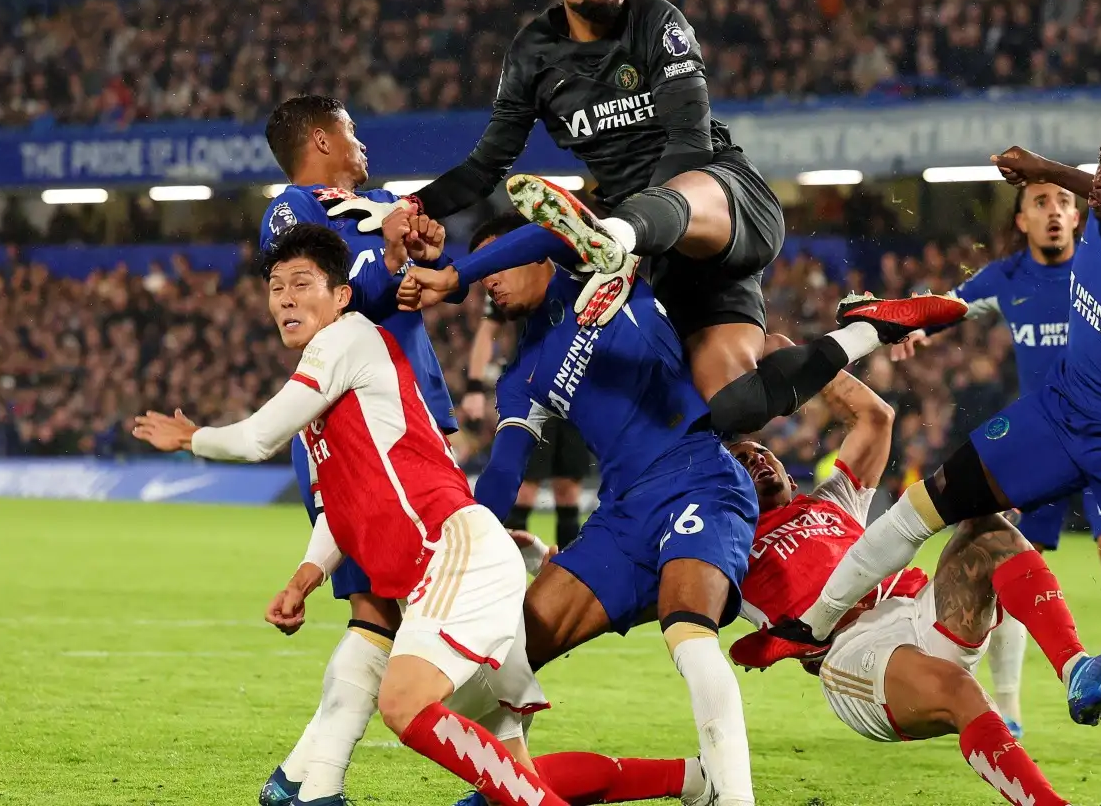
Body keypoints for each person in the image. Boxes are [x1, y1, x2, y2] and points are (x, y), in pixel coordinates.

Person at [771, 115, 1101, 806]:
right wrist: (1048, 168)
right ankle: (812, 625)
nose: (1100, 181)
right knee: (924, 507)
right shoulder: (1094, 213)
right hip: (1054, 415)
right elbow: (1093, 197)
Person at [400, 212, 963, 806]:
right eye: (481, 272)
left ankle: (734, 800)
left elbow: (570, 219)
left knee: (688, 634)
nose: (489, 281)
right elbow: (506, 468)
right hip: (621, 518)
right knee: (501, 659)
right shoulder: (522, 376)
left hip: (700, 479)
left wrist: (468, 265)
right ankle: (679, 781)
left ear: (538, 251)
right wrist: (467, 535)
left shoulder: (602, 269)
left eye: (499, 262)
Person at [133, 224, 704, 806]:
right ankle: (688, 780)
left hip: (453, 557)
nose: (284, 296)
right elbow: (340, 511)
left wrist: (191, 437)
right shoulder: (324, 398)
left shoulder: (346, 341)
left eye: (302, 283)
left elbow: (256, 439)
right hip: (458, 566)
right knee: (514, 779)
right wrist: (306, 577)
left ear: (341, 297)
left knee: (402, 702)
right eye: (275, 286)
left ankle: (318, 790)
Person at [335, 0, 878, 439]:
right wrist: (412, 207)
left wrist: (628, 236)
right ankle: (867, 330)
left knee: (672, 195)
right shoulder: (533, 54)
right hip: (665, 253)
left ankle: (612, 239)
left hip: (722, 201)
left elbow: (688, 142)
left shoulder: (657, 22)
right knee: (736, 406)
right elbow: (486, 166)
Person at [726, 337, 1101, 806]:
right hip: (851, 653)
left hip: (923, 610)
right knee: (961, 692)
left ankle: (1077, 670)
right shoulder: (728, 549)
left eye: (760, 451)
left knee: (984, 522)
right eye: (739, 461)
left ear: (790, 476)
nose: (754, 457)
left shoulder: (832, 500)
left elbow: (875, 417)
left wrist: (797, 360)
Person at [250, 94, 470, 806]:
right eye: (350, 130)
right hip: (353, 431)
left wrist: (426, 257)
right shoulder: (292, 214)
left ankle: (300, 780)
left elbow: (423, 283)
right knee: (392, 609)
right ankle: (312, 785)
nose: (362, 141)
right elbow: (343, 293)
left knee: (410, 608)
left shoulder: (379, 203)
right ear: (320, 137)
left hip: (411, 416)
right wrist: (393, 258)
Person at [891, 181, 1101, 744]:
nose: (1054, 212)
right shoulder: (1006, 277)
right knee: (1008, 562)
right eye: (1041, 204)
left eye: (1064, 203)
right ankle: (1008, 708)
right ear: (1021, 219)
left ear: (1079, 216)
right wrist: (916, 326)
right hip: (1043, 444)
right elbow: (951, 305)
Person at [465, 289, 594, 551]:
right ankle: (507, 575)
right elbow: (488, 329)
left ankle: (565, 579)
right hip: (533, 395)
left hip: (575, 395)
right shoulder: (519, 274)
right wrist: (474, 386)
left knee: (568, 491)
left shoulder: (580, 271)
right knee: (525, 491)